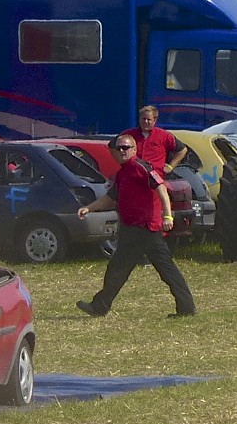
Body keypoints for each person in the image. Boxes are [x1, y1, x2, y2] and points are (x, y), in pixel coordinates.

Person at [75, 135, 197, 318]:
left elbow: (162, 189)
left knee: (121, 269)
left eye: (126, 147)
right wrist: (88, 208)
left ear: (134, 150)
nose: (122, 151)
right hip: (132, 228)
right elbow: (110, 198)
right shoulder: (123, 172)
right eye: (120, 148)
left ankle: (99, 306)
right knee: (142, 269)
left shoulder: (141, 167)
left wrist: (168, 215)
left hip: (145, 229)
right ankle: (186, 307)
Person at [123, 105, 187, 174]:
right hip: (132, 176)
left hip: (155, 178)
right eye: (143, 119)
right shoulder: (129, 134)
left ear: (154, 120)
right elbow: (112, 146)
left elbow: (182, 150)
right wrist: (120, 162)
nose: (145, 121)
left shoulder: (164, 135)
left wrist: (170, 167)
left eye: (149, 119)